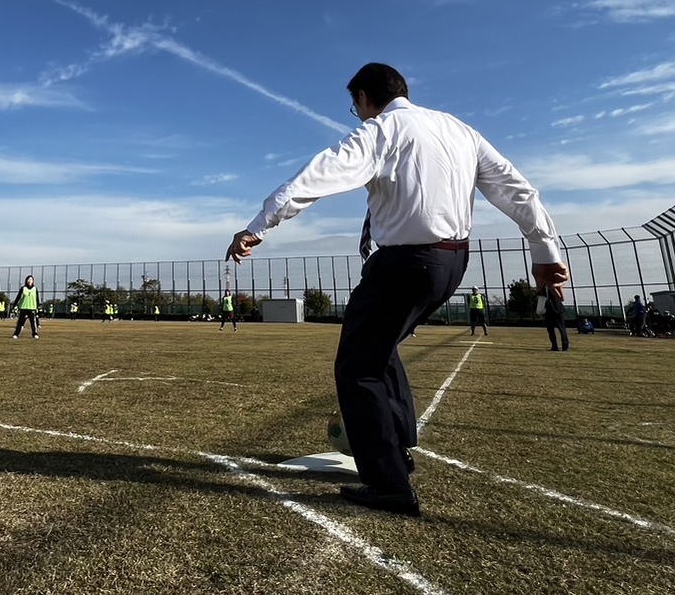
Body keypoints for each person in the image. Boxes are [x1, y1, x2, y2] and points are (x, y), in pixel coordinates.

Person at [226, 63, 566, 517]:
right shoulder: (458, 129)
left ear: (366, 98)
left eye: (356, 106)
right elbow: (515, 189)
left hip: (405, 261)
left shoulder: (382, 131)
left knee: (356, 367)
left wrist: (257, 226)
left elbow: (316, 177)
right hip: (452, 261)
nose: (358, 115)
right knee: (380, 351)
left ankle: (388, 483)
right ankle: (399, 448)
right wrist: (545, 250)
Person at [11, 275, 41, 340]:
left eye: (31, 279)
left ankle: (35, 334)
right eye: (28, 279)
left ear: (33, 281)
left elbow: (37, 299)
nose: (30, 281)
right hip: (23, 308)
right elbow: (18, 297)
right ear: (26, 280)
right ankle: (16, 334)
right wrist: (14, 305)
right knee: (20, 323)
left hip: (32, 308)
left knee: (33, 323)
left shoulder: (35, 289)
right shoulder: (23, 288)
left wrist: (38, 307)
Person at [543, 285, 570, 352]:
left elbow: (561, 297)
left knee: (559, 329)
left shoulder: (552, 285)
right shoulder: (546, 286)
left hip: (555, 309)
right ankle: (557, 346)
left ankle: (562, 346)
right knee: (553, 329)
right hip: (553, 309)